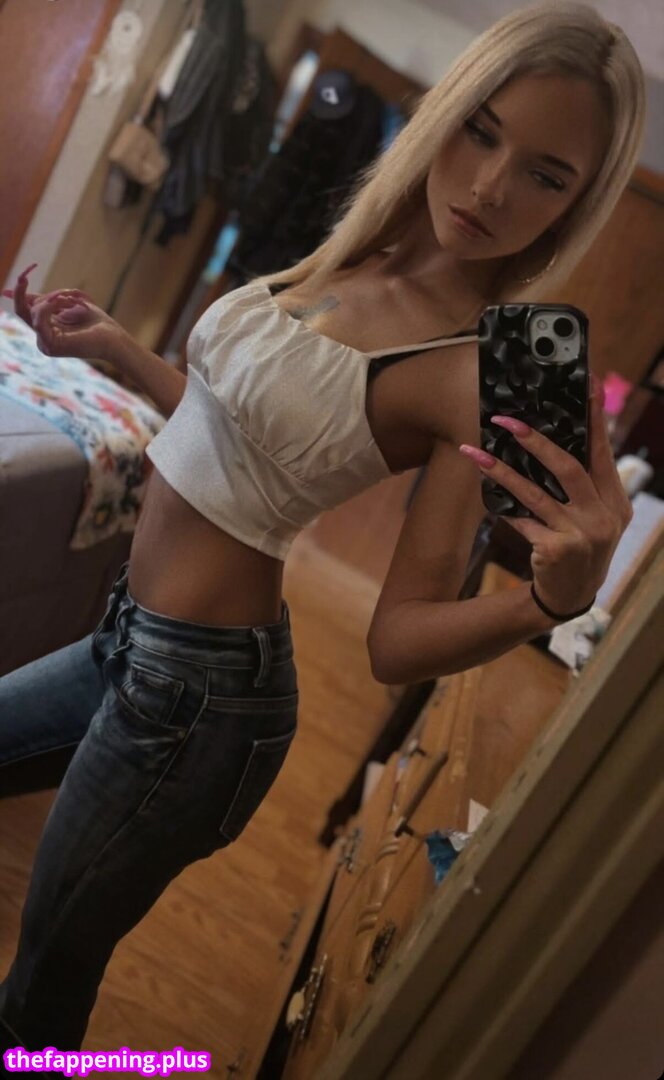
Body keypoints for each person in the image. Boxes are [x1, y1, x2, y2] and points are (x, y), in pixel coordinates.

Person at [0, 0, 643, 1059]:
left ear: (577, 204)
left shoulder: (474, 370)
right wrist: (114, 349)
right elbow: (241, 438)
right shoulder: (355, 256)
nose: (490, 187)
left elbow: (397, 640)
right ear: (443, 114)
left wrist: (548, 601)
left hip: (200, 704)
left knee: (40, 993)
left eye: (545, 174)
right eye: (481, 131)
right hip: (127, 641)